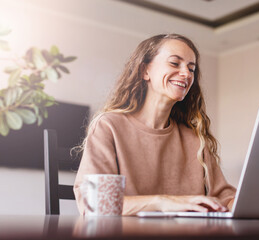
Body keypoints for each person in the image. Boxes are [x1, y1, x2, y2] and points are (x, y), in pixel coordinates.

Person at [74, 33, 236, 215]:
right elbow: (95, 204)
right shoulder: (109, 126)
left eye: (191, 69)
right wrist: (163, 201)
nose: (186, 74)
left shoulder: (195, 139)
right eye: (175, 63)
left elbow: (226, 200)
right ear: (145, 71)